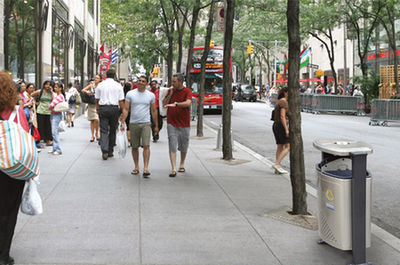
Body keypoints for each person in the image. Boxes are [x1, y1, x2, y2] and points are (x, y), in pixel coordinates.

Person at [0, 71, 30, 265]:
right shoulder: (16, 112)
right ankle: (4, 254)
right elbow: (26, 138)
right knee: (10, 209)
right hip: (11, 167)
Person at [120, 76, 158, 177]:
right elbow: (126, 109)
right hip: (133, 123)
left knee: (146, 145)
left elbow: (154, 110)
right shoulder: (130, 94)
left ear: (146, 84)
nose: (140, 83)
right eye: (139, 81)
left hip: (146, 123)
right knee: (134, 146)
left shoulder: (150, 95)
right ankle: (136, 166)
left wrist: (156, 126)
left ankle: (145, 168)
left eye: (143, 81)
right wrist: (123, 122)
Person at [162, 73, 193, 177]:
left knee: (184, 144)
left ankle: (182, 163)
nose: (172, 83)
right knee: (172, 143)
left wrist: (176, 104)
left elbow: (188, 103)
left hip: (184, 122)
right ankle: (174, 168)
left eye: (174, 81)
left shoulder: (188, 91)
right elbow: (164, 103)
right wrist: (170, 94)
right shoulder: (171, 91)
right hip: (171, 122)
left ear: (180, 82)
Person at [95, 68, 125, 160]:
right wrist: (123, 111)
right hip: (114, 109)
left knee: (103, 130)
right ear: (115, 76)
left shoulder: (100, 85)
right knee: (112, 130)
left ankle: (104, 150)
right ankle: (110, 150)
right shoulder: (118, 86)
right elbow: (120, 100)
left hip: (103, 108)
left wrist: (97, 108)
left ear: (106, 75)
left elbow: (97, 98)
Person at [272, 86, 290, 174]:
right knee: (288, 146)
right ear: (286, 92)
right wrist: (286, 128)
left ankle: (278, 166)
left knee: (280, 146)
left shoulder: (280, 101)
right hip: (281, 125)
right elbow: (282, 116)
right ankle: (277, 163)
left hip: (276, 125)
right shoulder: (283, 102)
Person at [31, 80, 54, 147]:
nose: (48, 86)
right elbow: (31, 96)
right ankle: (40, 140)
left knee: (48, 126)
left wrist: (52, 92)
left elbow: (53, 100)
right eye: (46, 84)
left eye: (49, 85)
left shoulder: (50, 92)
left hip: (48, 111)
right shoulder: (40, 91)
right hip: (40, 110)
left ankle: (47, 140)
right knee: (40, 125)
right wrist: (35, 102)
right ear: (44, 85)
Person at [82, 75, 101, 142]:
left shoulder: (101, 86)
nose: (95, 79)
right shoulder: (91, 85)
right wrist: (88, 92)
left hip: (98, 105)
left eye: (97, 78)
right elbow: (83, 90)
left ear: (100, 79)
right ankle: (92, 135)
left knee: (97, 120)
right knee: (92, 120)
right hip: (91, 104)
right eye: (95, 78)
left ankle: (97, 133)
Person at [47, 82, 65, 155]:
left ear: (60, 88)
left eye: (56, 87)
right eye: (55, 87)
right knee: (54, 132)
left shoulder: (59, 96)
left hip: (56, 115)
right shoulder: (58, 95)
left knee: (54, 132)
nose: (55, 88)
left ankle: (58, 149)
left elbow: (51, 105)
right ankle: (55, 148)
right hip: (55, 114)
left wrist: (50, 107)